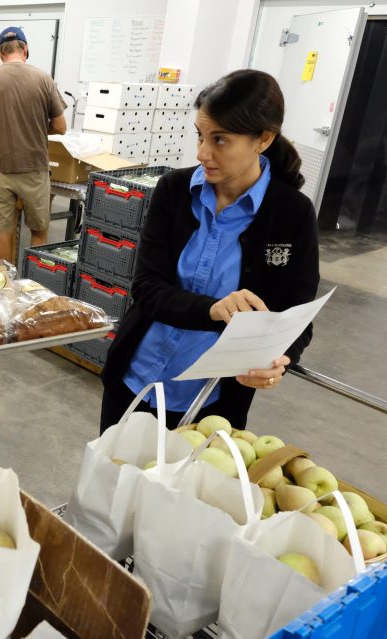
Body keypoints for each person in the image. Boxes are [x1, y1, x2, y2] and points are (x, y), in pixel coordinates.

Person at [99, 69, 320, 432]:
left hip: (212, 402)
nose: (203, 153)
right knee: (112, 481)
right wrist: (212, 310)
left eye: (220, 140)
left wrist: (280, 359)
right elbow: (147, 287)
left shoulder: (291, 213)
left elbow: (293, 316)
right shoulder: (174, 190)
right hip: (136, 381)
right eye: (200, 136)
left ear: (263, 139)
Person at [0, 26, 67, 265]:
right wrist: (37, 127)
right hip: (34, 170)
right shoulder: (44, 78)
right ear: (25, 49)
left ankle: (2, 289)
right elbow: (60, 126)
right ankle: (36, 286)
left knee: (3, 232)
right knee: (39, 231)